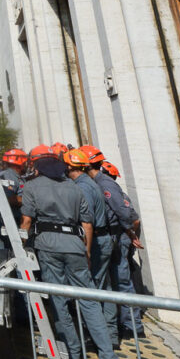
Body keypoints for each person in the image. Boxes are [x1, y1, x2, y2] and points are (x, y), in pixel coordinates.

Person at [20, 144, 119, 359]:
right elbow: (87, 224)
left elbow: (26, 222)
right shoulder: (75, 187)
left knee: (58, 300)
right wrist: (86, 251)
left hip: (48, 247)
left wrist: (21, 244)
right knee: (89, 299)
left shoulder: (31, 187)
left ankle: (73, 352)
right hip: (76, 246)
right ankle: (108, 355)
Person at [81, 146, 145, 340]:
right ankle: (119, 324)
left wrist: (128, 232)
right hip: (114, 235)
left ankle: (132, 326)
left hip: (116, 237)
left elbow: (124, 212)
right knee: (111, 281)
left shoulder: (104, 184)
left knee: (122, 281)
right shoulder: (95, 182)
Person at [64, 148, 118, 347]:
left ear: (71, 167)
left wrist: (85, 251)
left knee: (91, 289)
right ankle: (111, 336)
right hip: (102, 240)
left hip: (95, 242)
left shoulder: (83, 188)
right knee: (104, 287)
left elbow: (87, 222)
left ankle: (98, 338)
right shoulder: (88, 182)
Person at [0, 148, 28, 233]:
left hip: (16, 218)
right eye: (25, 162)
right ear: (19, 163)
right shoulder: (8, 176)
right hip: (11, 221)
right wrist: (31, 200)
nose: (26, 165)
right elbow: (9, 199)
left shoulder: (17, 176)